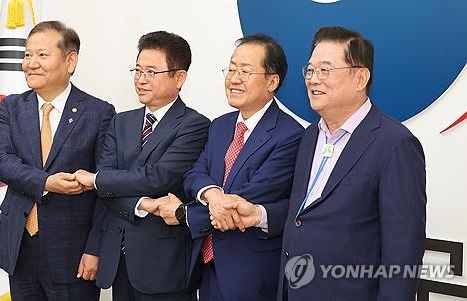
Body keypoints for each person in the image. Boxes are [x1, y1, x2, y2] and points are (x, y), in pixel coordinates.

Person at [279, 26, 426, 300]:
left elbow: (403, 248)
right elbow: (301, 217)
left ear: (360, 78)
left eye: (325, 70)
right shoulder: (310, 136)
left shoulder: (395, 144)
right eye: (309, 71)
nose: (313, 80)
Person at [156, 34, 305, 301]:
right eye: (232, 69)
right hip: (208, 266)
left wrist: (183, 214)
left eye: (245, 72)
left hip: (251, 272)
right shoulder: (220, 125)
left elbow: (250, 198)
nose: (234, 78)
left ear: (272, 81)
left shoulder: (290, 134)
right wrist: (212, 194)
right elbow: (195, 174)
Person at [73, 31, 210, 301]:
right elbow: (105, 186)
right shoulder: (120, 121)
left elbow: (158, 178)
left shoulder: (195, 125)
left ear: (179, 77)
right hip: (118, 259)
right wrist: (144, 204)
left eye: (151, 71)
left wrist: (99, 180)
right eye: (137, 70)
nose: (141, 79)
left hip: (164, 265)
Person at [0, 21, 115, 300]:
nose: (31, 63)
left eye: (42, 55)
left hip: (73, 255)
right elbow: (0, 161)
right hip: (19, 249)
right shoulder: (10, 107)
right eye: (27, 55)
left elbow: (106, 188)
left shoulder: (98, 113)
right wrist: (46, 182)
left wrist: (94, 248)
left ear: (70, 61)